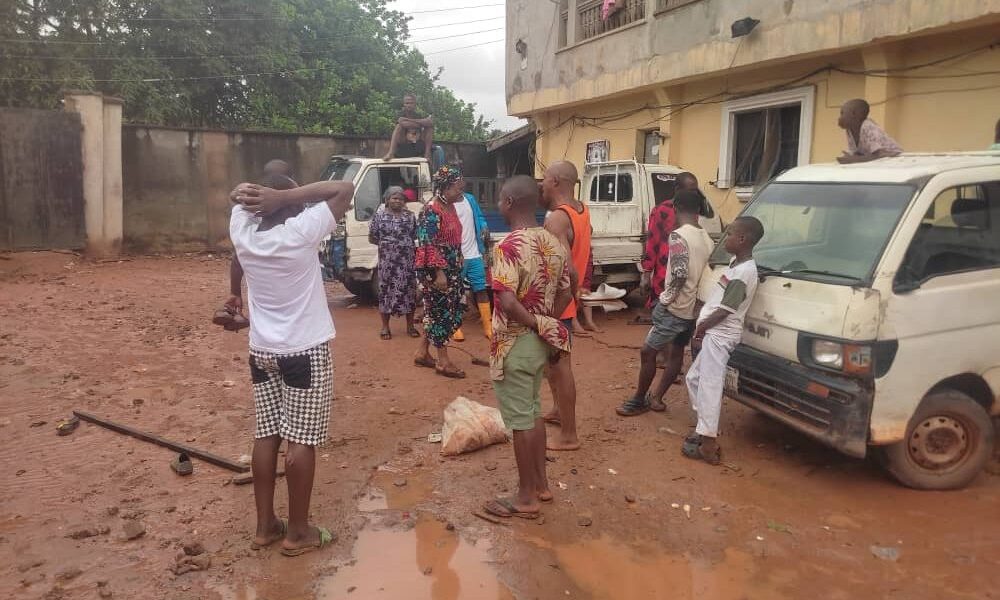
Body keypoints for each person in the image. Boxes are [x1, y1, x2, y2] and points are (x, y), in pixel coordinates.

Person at [228, 177, 354, 556]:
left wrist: (255, 196)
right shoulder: (300, 232)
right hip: (304, 351)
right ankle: (298, 532)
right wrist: (284, 195)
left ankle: (265, 526)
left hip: (261, 351)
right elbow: (344, 189)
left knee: (266, 434)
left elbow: (237, 200)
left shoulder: (242, 230)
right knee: (301, 441)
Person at [482, 176, 572, 519]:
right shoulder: (553, 241)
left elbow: (505, 300)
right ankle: (541, 485)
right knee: (532, 412)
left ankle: (525, 497)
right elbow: (568, 287)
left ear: (507, 203)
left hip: (514, 343)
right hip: (539, 344)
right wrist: (547, 319)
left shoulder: (507, 246)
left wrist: (534, 322)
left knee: (521, 421)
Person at [617, 190, 715, 416]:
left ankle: (639, 399)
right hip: (693, 309)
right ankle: (658, 397)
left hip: (675, 308)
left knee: (648, 352)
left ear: (676, 208)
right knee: (677, 353)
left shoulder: (679, 236)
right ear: (698, 210)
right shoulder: (707, 238)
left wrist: (665, 299)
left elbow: (679, 273)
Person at [682, 216, 765, 465]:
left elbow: (727, 309)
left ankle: (708, 444)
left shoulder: (744, 273)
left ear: (742, 239)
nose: (725, 238)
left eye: (729, 234)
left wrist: (702, 327)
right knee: (695, 379)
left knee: (709, 384)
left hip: (720, 335)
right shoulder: (735, 264)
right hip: (714, 333)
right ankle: (704, 427)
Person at [540, 160, 590, 451]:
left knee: (561, 367)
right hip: (566, 303)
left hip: (559, 306)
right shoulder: (581, 210)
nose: (542, 184)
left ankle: (569, 436)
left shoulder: (557, 219)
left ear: (556, 182)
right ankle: (559, 410)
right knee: (551, 365)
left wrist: (564, 303)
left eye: (545, 179)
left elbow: (569, 270)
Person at [217, 162, 301, 332]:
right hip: (302, 334)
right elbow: (339, 192)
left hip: (263, 338)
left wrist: (235, 292)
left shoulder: (247, 226)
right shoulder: (304, 227)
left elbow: (234, 195)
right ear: (292, 177)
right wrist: (292, 192)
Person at [413, 165, 468, 379]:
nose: (461, 191)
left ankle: (422, 352)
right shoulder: (431, 209)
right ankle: (443, 362)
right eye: (457, 187)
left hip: (451, 267)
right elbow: (427, 243)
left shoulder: (450, 207)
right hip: (436, 271)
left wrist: (459, 255)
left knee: (440, 311)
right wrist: (439, 273)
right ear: (444, 188)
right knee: (440, 313)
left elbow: (452, 236)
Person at [640, 172, 699, 308]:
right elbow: (652, 243)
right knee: (660, 310)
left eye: (695, 191)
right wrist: (646, 274)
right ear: (678, 189)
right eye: (691, 190)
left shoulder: (693, 212)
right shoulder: (662, 210)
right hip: (663, 274)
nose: (694, 194)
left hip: (686, 271)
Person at [368, 186, 419, 340]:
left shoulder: (410, 216)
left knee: (409, 292)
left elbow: (414, 235)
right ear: (387, 200)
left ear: (404, 201)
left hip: (406, 263)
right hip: (387, 263)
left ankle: (410, 326)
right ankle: (385, 327)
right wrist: (387, 246)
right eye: (394, 198)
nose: (397, 201)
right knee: (386, 293)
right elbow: (372, 237)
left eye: (400, 198)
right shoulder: (379, 217)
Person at [453, 189, 492, 341]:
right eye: (456, 182)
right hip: (456, 256)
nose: (460, 185)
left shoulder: (470, 199)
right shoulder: (445, 203)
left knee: (481, 289)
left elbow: (480, 217)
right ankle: (456, 327)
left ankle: (488, 327)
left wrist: (484, 226)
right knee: (456, 292)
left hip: (474, 253)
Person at [837, 99, 902, 164]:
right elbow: (857, 153)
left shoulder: (868, 127)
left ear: (855, 114)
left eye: (842, 113)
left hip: (894, 157)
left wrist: (853, 159)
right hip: (876, 159)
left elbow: (877, 155)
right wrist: (849, 157)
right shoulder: (850, 129)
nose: (839, 118)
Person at [384, 93, 434, 162]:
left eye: (411, 103)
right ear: (404, 104)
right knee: (399, 126)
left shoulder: (418, 115)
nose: (409, 105)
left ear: (415, 104)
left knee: (429, 128)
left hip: (417, 143)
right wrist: (421, 123)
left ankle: (427, 153)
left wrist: (408, 120)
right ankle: (390, 153)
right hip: (403, 144)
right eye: (407, 103)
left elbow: (430, 122)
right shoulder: (400, 114)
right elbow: (403, 124)